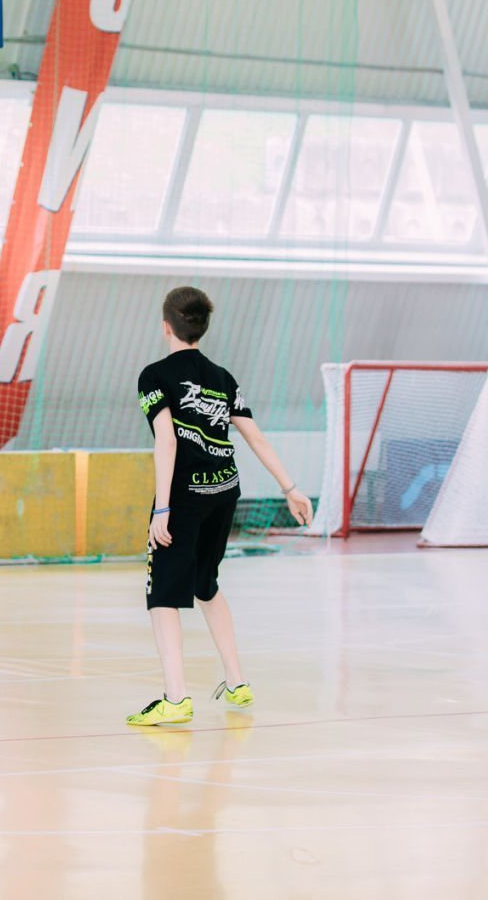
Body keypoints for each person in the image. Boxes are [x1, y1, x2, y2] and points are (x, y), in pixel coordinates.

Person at [127, 287, 313, 726]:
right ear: (202, 328)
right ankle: (236, 681)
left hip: (185, 497)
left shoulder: (154, 376)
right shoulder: (222, 376)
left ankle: (175, 699)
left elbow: (167, 441)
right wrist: (290, 488)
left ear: (166, 326)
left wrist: (162, 510)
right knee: (205, 584)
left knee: (162, 595)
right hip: (225, 491)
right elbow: (255, 436)